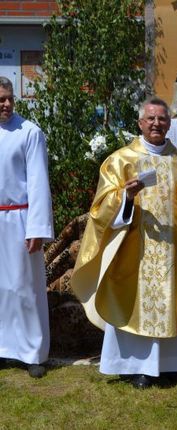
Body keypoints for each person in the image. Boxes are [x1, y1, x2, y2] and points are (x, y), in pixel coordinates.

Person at [71, 97, 177, 389]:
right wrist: (126, 196)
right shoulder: (120, 160)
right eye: (150, 119)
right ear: (140, 123)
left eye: (162, 119)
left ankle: (175, 366)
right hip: (134, 250)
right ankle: (137, 367)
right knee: (134, 303)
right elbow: (100, 208)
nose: (156, 124)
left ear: (169, 123)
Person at [0, 76, 54, 378]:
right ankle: (3, 347)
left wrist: (37, 228)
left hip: (20, 218)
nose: (7, 104)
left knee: (25, 287)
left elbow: (37, 182)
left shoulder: (29, 132)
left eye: (10, 98)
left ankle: (33, 352)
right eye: (1, 100)